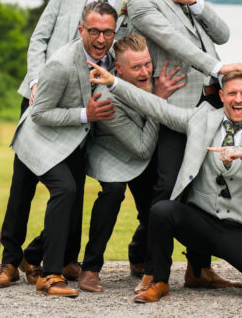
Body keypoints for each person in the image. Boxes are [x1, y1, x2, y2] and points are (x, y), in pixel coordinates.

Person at [88, 66, 242, 304]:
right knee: (162, 210)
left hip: (238, 229)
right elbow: (156, 107)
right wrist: (114, 82)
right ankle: (159, 281)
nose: (238, 99)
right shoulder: (201, 118)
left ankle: (201, 272)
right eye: (232, 93)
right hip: (199, 223)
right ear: (221, 96)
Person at [0, 0, 129, 288]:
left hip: (87, 108)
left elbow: (123, 57)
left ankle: (61, 258)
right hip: (42, 96)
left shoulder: (128, 7)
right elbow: (39, 38)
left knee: (73, 184)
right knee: (22, 184)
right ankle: (9, 261)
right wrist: (38, 80)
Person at [126, 0, 242, 291]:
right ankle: (154, 270)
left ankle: (199, 269)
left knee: (205, 183)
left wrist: (196, 2)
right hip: (174, 103)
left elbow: (224, 33)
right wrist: (217, 69)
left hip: (210, 103)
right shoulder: (141, 0)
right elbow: (173, 42)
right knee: (167, 185)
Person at [4, 1, 119, 297]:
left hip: (71, 140)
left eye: (108, 32)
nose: (101, 39)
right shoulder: (61, 63)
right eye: (94, 31)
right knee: (65, 189)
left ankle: (32, 256)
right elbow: (38, 113)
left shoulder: (112, 59)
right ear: (82, 30)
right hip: (38, 137)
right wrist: (86, 115)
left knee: (71, 199)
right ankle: (50, 276)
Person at [80, 34, 184, 292]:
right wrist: (156, 100)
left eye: (147, 64)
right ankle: (90, 269)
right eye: (136, 67)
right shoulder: (107, 97)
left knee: (154, 206)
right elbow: (141, 147)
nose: (145, 71)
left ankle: (139, 257)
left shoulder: (149, 79)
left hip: (140, 152)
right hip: (111, 152)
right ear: (118, 70)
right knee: (113, 194)